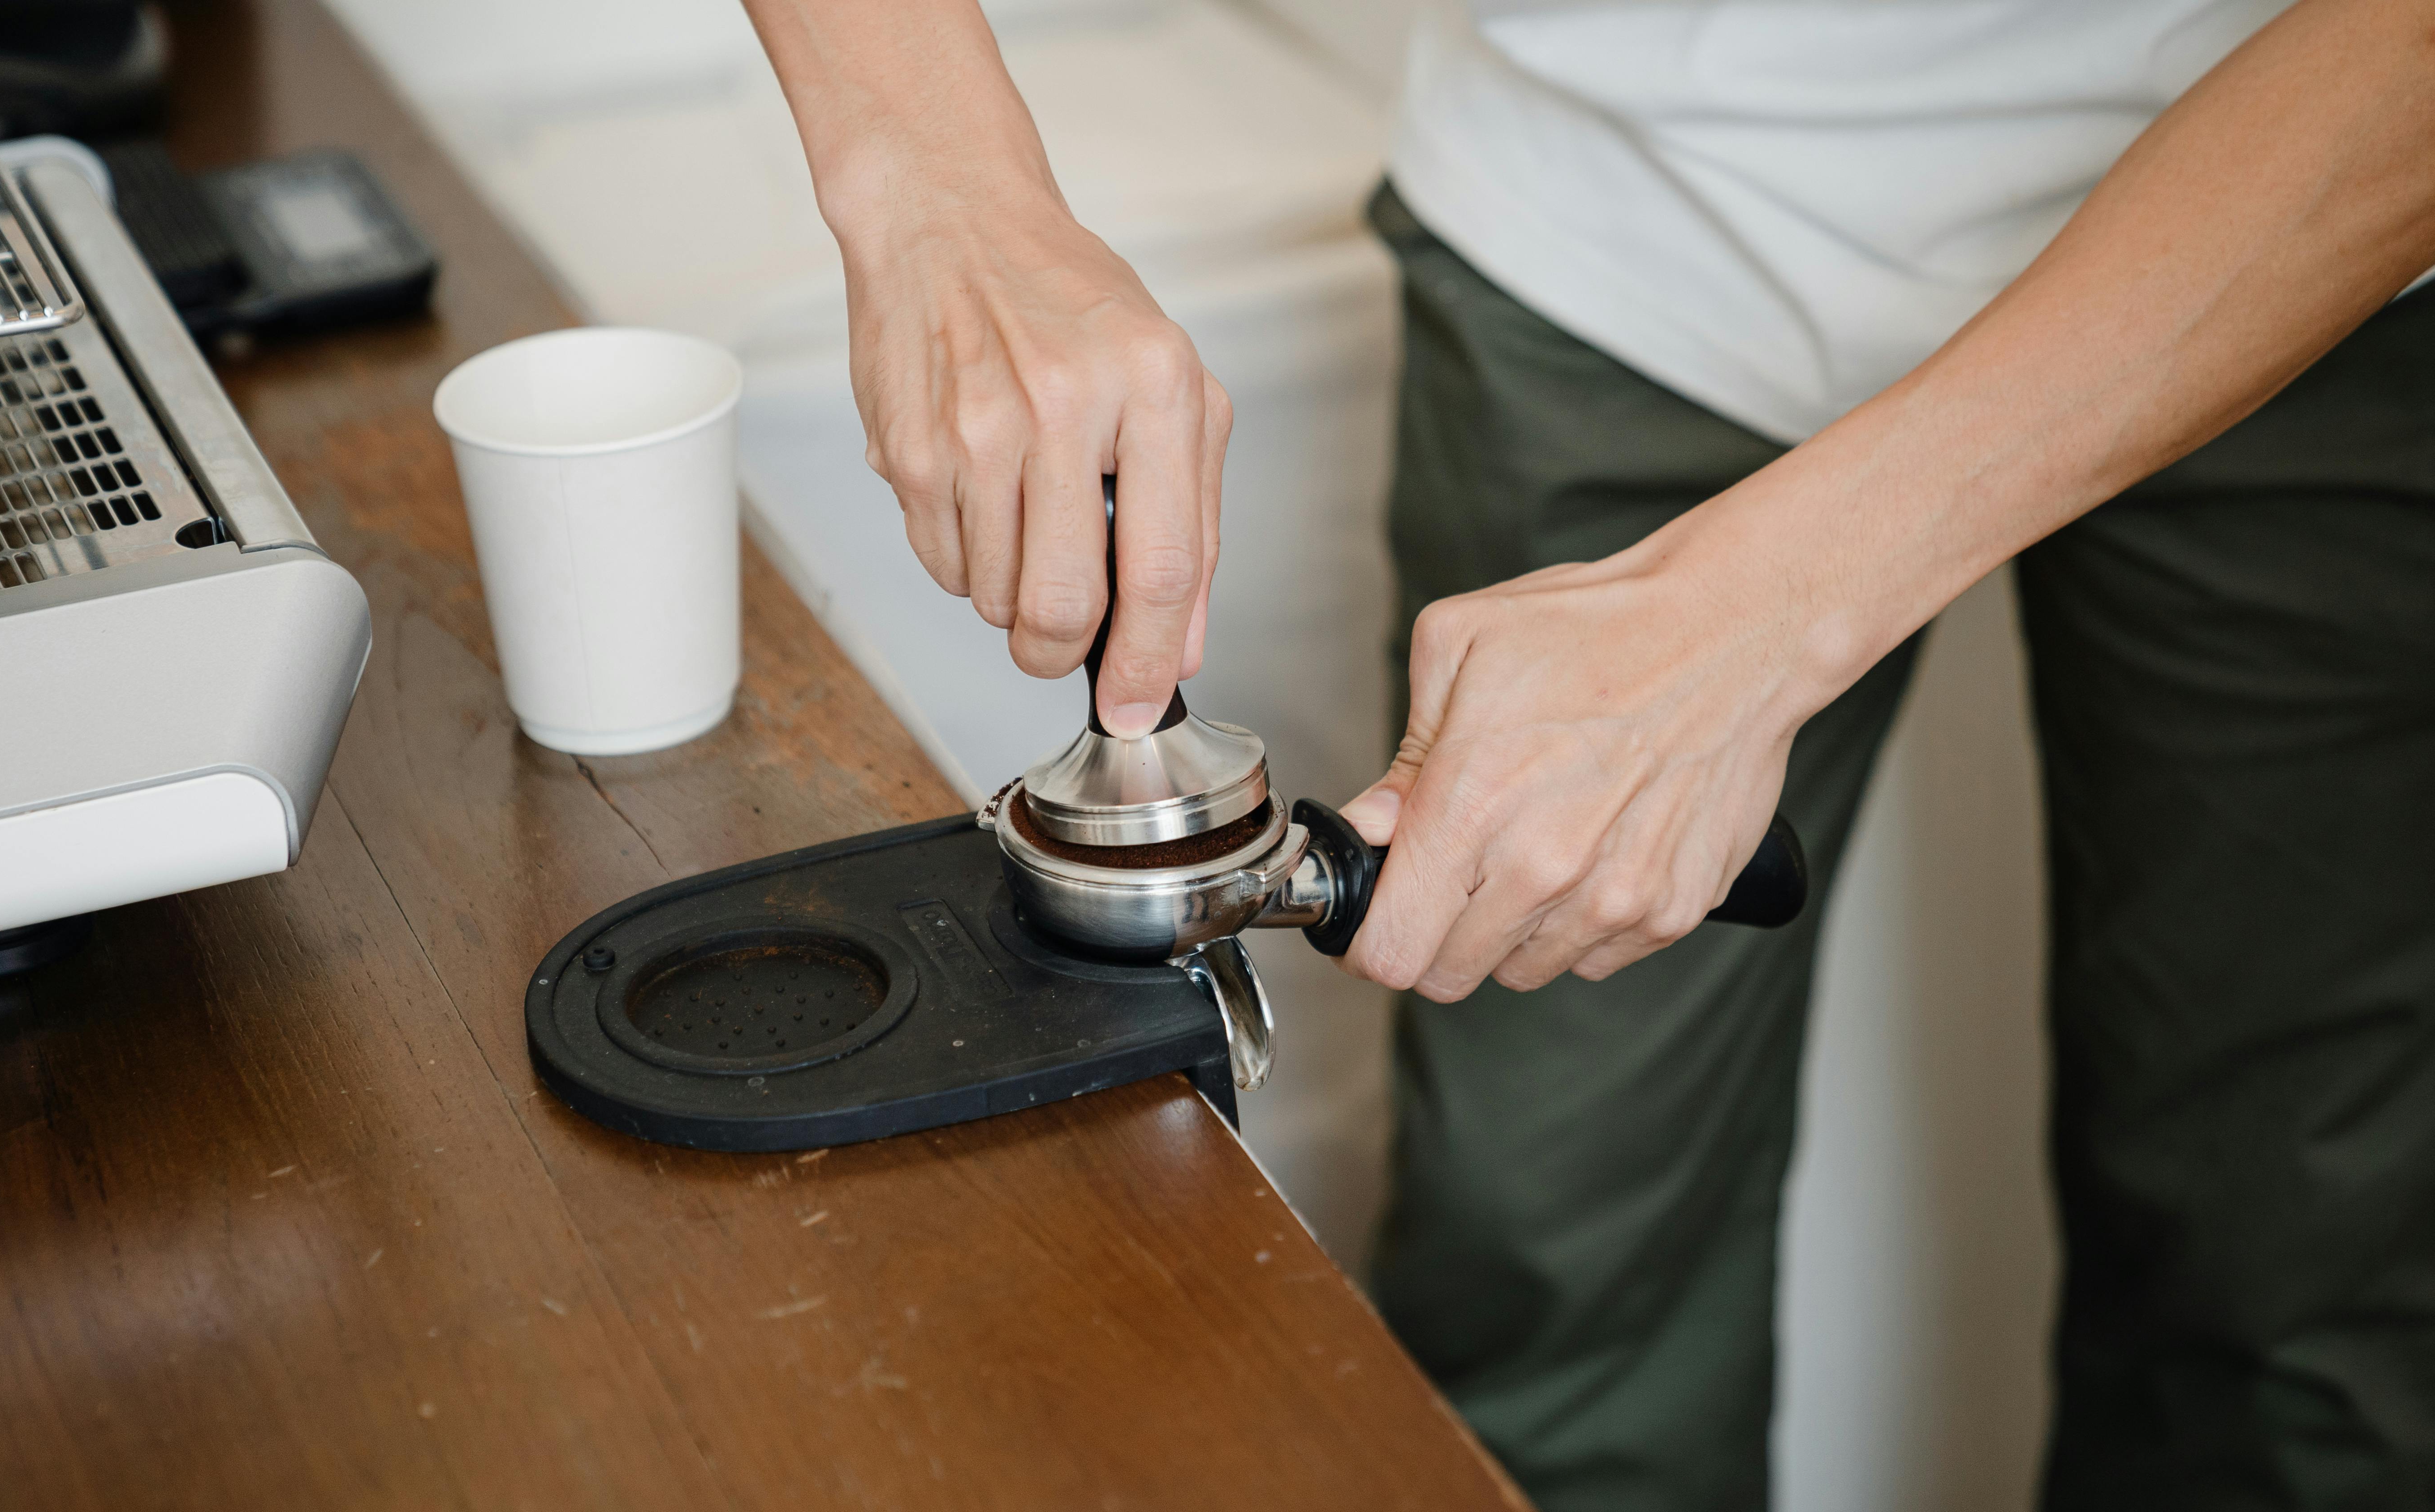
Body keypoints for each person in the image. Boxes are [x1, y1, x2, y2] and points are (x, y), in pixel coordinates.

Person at [734, 0, 2435, 1503]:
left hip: (2302, 232)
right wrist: (935, 185)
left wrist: (1773, 607)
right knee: (1559, 1299)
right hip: (1625, 228)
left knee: (2288, 1294)